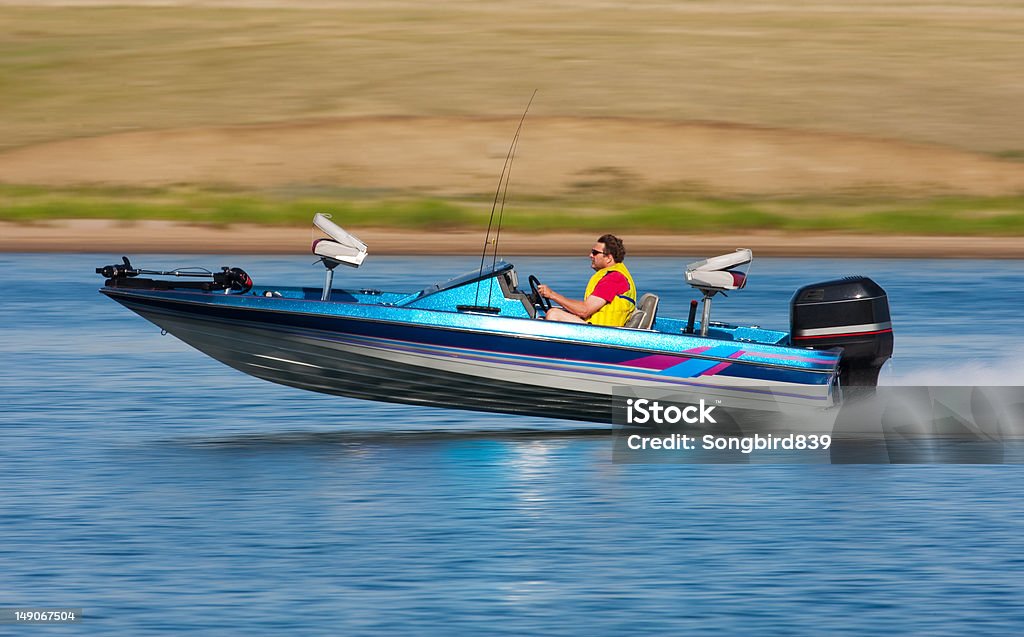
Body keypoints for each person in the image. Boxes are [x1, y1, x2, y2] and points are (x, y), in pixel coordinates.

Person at [538, 234, 637, 326]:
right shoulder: (614, 275)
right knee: (541, 318)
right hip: (597, 329)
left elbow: (584, 310)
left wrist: (551, 294)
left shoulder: (614, 279)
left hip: (603, 334)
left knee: (554, 314)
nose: (590, 255)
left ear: (608, 258)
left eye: (595, 253)